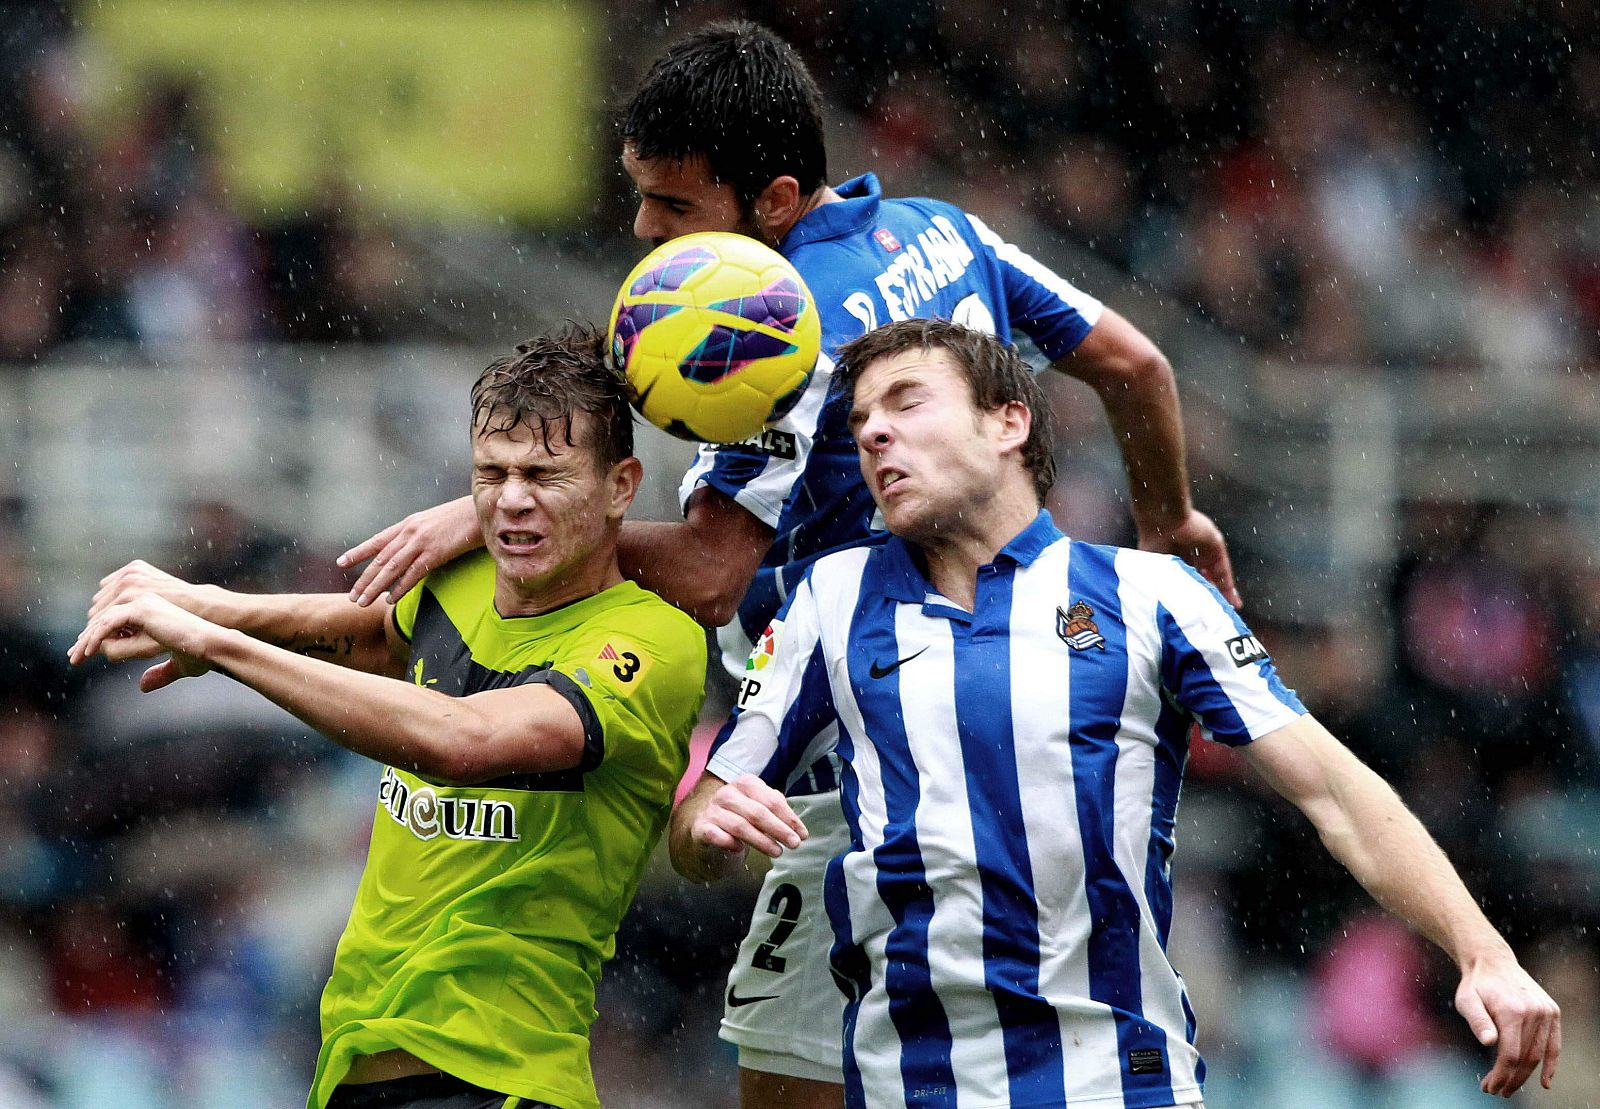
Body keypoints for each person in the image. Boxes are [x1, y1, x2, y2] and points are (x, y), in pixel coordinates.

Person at [337, 23, 1236, 1108]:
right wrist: (1172, 516)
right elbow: (1134, 365)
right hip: (996, 732)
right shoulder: (940, 230)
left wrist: (500, 513)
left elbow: (715, 571)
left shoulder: (764, 326)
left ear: (769, 199)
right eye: (639, 194)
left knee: (795, 1083)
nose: (642, 227)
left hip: (851, 759)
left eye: (672, 205)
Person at [673, 317, 1562, 1109]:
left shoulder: (1152, 593)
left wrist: (1483, 950)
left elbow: (1334, 789)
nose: (873, 431)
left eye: (907, 402)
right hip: (911, 1083)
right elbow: (701, 817)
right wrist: (706, 824)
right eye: (862, 420)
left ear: (1007, 422)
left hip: (1120, 1081)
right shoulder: (831, 596)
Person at [69, 326, 707, 1109]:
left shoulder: (653, 641)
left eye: (545, 473)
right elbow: (372, 633)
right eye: (492, 472)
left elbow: (464, 740)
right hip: (352, 1060)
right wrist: (217, 606)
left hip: (502, 1078)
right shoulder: (460, 581)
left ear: (621, 485)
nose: (511, 499)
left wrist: (221, 642)